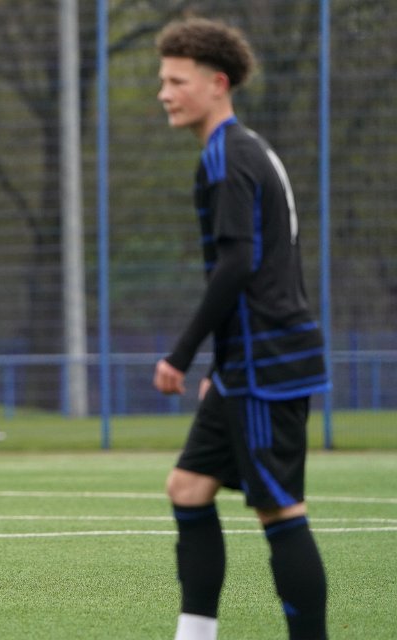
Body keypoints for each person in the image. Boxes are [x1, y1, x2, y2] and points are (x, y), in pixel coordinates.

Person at [153, 18, 331, 640]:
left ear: (217, 83)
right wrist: (219, 366)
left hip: (267, 360)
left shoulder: (229, 155)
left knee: (280, 509)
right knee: (188, 487)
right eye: (163, 81)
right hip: (247, 361)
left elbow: (238, 266)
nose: (165, 93)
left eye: (177, 81)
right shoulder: (242, 149)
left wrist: (181, 355)